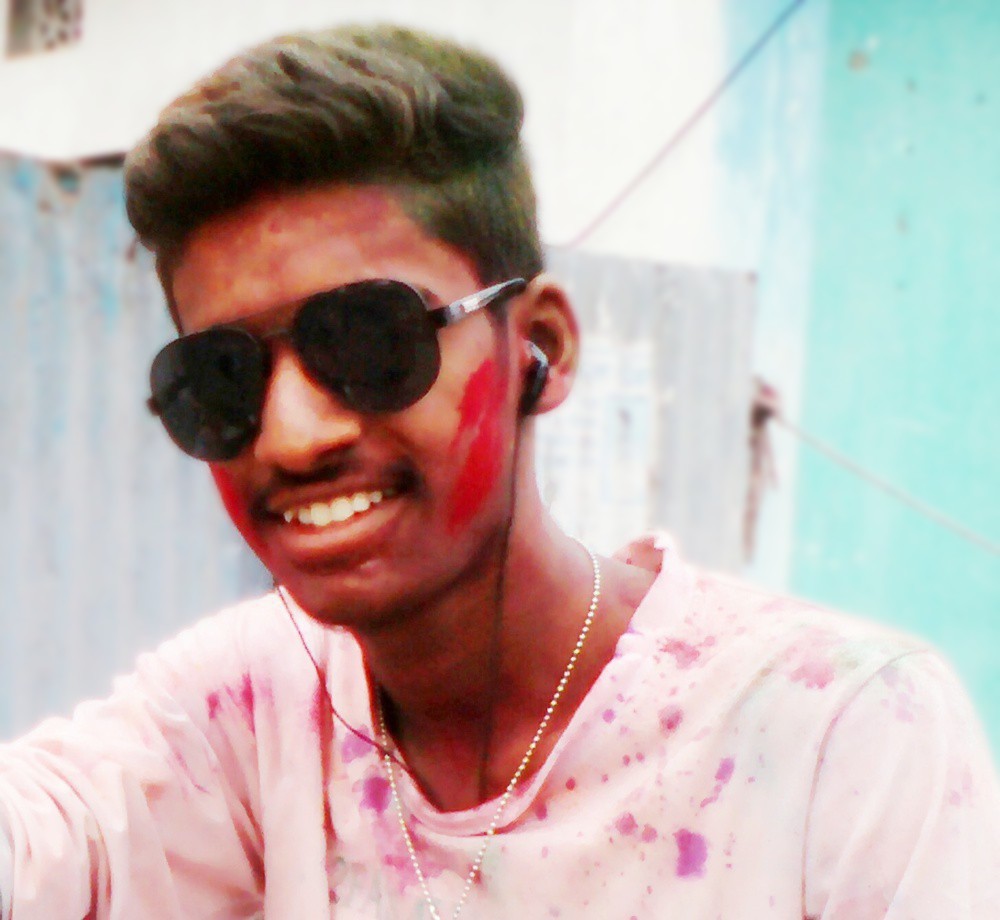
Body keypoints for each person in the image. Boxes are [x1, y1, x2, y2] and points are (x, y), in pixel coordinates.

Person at [1, 24, 998, 920]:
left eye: (371, 339)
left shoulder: (841, 736)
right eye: (222, 377)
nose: (293, 435)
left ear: (542, 349)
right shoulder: (257, 710)